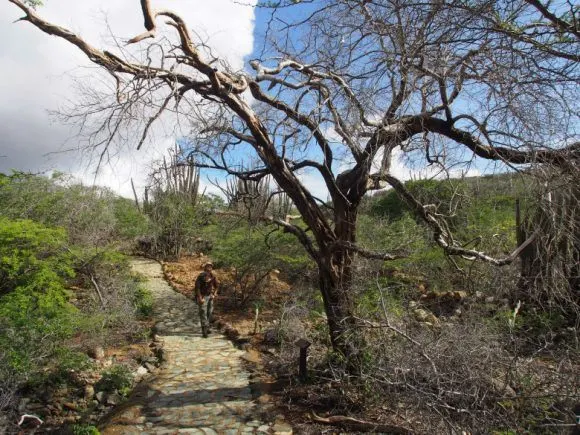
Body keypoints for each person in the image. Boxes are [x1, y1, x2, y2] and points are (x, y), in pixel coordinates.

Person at [194, 262, 218, 338]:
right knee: (203, 313)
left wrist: (214, 294)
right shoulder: (200, 276)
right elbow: (197, 288)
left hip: (210, 297)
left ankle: (207, 327)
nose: (209, 268)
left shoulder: (213, 276)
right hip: (202, 297)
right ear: (205, 268)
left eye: (210, 267)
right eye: (207, 266)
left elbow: (217, 286)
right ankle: (204, 330)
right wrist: (200, 298)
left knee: (209, 313)